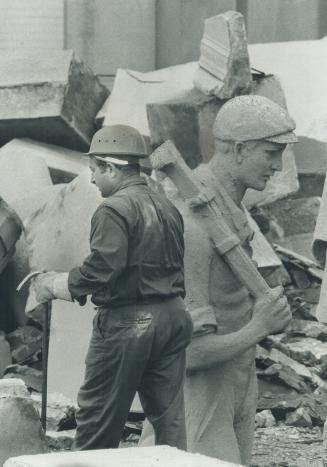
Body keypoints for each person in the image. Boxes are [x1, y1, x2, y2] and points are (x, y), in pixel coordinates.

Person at [140, 95, 296, 464]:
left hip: (235, 382)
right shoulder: (193, 228)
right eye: (271, 153)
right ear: (239, 150)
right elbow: (187, 353)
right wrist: (259, 327)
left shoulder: (228, 211)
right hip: (198, 397)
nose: (278, 166)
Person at [33, 124, 193, 451]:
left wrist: (57, 284)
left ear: (110, 167)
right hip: (173, 317)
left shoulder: (112, 208)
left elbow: (104, 268)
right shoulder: (166, 206)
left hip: (129, 323)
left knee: (98, 421)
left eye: (94, 170)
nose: (91, 179)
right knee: (169, 424)